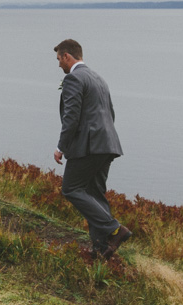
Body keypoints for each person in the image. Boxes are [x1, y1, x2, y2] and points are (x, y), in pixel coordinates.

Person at [52, 39, 132, 258]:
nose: (58, 64)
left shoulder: (74, 78)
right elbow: (110, 113)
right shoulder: (99, 79)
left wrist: (61, 146)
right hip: (108, 144)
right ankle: (101, 248)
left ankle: (115, 229)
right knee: (95, 194)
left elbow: (71, 117)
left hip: (87, 147)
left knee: (71, 188)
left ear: (67, 56)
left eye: (59, 59)